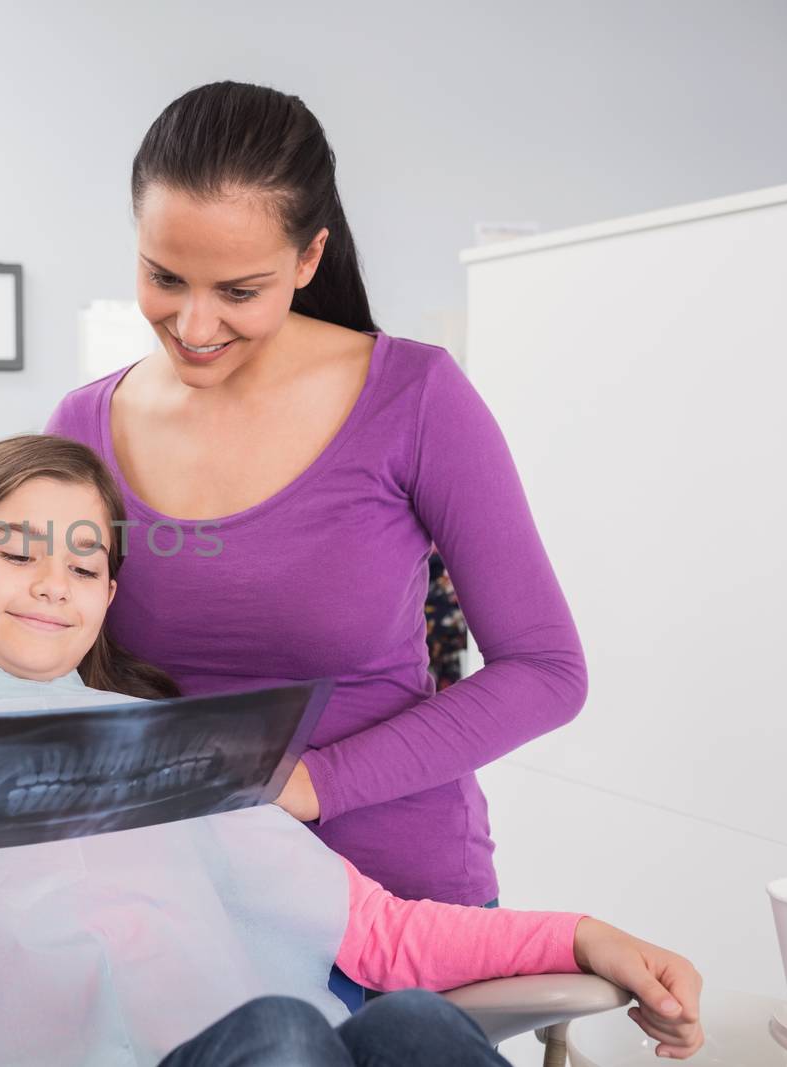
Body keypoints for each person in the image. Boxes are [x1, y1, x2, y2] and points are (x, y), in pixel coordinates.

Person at [0, 436, 702, 1066]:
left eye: (84, 560)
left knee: (415, 1026)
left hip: (240, 1046)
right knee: (289, 1029)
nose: (53, 580)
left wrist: (588, 934)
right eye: (16, 548)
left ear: (108, 597)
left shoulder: (174, 753)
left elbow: (379, 935)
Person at [46, 82, 589, 910]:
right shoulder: (82, 424)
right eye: (165, 277)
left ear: (307, 259)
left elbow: (547, 670)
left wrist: (310, 782)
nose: (193, 326)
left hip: (395, 889)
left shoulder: (416, 398)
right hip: (169, 895)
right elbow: (57, 663)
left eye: (237, 291)